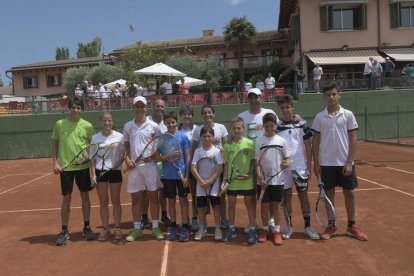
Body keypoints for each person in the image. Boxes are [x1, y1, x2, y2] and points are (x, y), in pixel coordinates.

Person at [311, 82, 368, 241]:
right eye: (328, 95)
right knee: (329, 195)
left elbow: (353, 138)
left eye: (334, 94)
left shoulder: (348, 115)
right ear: (324, 97)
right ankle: (331, 225)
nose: (331, 97)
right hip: (326, 163)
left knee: (349, 193)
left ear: (339, 95)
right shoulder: (319, 117)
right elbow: (315, 141)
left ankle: (351, 225)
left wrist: (350, 162)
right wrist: (316, 163)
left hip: (345, 163)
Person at [52, 97, 95, 246]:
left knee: (85, 196)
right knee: (66, 198)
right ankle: (64, 231)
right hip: (66, 168)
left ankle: (87, 227)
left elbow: (91, 147)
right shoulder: (59, 124)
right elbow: (55, 143)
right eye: (73, 107)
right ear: (69, 108)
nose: (76, 110)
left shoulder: (88, 126)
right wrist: (55, 162)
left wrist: (87, 158)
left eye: (78, 108)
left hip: (83, 168)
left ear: (81, 109)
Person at [276, 95, 320, 241]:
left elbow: (308, 144)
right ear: (280, 109)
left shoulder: (302, 123)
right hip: (284, 168)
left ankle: (307, 227)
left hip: (300, 167)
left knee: (303, 196)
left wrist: (309, 166)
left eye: (287, 107)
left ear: (292, 107)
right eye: (282, 108)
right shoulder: (277, 125)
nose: (285, 110)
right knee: (286, 196)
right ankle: (289, 227)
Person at [123, 96, 164, 241]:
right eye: (137, 106)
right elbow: (126, 146)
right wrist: (127, 160)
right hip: (134, 169)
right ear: (133, 108)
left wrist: (152, 155)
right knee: (136, 199)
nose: (140, 109)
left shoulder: (154, 126)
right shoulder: (128, 126)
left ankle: (154, 227)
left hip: (150, 167)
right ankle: (136, 229)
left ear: (146, 108)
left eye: (142, 106)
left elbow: (158, 143)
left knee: (153, 197)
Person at [191, 105, 229, 229]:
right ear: (202, 115)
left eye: (209, 112)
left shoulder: (221, 128)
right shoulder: (198, 130)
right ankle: (203, 223)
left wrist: (224, 154)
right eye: (205, 113)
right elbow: (195, 147)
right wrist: (192, 165)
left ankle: (223, 219)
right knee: (203, 196)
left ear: (214, 114)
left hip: (219, 166)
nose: (207, 115)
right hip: (203, 168)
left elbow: (227, 145)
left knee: (220, 195)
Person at [221, 117, 257, 244]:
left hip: (247, 180)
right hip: (232, 181)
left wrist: (250, 174)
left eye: (239, 128)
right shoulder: (227, 146)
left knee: (249, 205)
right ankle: (231, 229)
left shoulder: (249, 143)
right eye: (234, 128)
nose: (236, 130)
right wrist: (225, 180)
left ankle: (252, 229)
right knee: (231, 205)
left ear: (243, 129)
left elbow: (253, 162)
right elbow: (225, 165)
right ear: (231, 129)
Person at [255, 113, 290, 246]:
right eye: (267, 126)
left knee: (275, 206)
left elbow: (287, 159)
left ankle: (276, 231)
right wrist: (260, 179)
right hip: (263, 182)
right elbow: (257, 163)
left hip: (278, 180)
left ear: (276, 126)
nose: (269, 128)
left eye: (272, 126)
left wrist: (287, 163)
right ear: (263, 126)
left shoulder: (282, 141)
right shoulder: (259, 142)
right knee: (264, 206)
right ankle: (264, 230)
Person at [156, 111, 191, 242]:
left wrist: (187, 175)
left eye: (173, 122)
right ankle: (174, 226)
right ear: (165, 124)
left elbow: (187, 157)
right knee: (171, 202)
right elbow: (157, 158)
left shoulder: (183, 137)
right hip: (168, 176)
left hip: (181, 175)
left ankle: (185, 226)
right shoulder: (162, 139)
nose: (171, 124)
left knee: (183, 201)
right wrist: (169, 156)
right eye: (168, 122)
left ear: (176, 122)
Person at [90, 112, 123, 241]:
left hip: (115, 171)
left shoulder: (119, 137)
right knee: (103, 202)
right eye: (104, 121)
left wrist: (118, 163)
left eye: (109, 121)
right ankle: (105, 229)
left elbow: (123, 154)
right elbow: (92, 159)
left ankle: (117, 228)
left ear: (113, 122)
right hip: (100, 172)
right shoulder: (95, 138)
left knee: (116, 201)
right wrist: (93, 175)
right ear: (101, 122)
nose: (107, 123)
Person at [191, 126, 224, 241]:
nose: (207, 138)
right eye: (204, 136)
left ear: (213, 137)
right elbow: (193, 167)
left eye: (209, 136)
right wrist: (201, 181)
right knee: (201, 208)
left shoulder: (216, 151)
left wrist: (210, 181)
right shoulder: (197, 151)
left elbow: (220, 168)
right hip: (201, 185)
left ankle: (218, 228)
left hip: (213, 184)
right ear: (201, 137)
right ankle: (201, 228)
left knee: (216, 207)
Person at [141, 98, 169, 229]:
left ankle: (164, 215)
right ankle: (144, 218)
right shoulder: (145, 121)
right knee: (146, 192)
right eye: (157, 106)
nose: (159, 108)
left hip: (164, 162)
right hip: (148, 163)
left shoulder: (167, 124)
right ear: (153, 106)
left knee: (162, 190)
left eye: (162, 106)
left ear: (165, 107)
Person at [178, 105, 199, 231]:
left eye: (189, 114)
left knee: (195, 194)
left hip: (194, 166)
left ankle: (196, 218)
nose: (187, 116)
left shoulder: (197, 129)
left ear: (192, 116)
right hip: (181, 167)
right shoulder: (177, 130)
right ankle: (185, 220)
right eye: (184, 114)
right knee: (183, 195)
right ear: (181, 116)